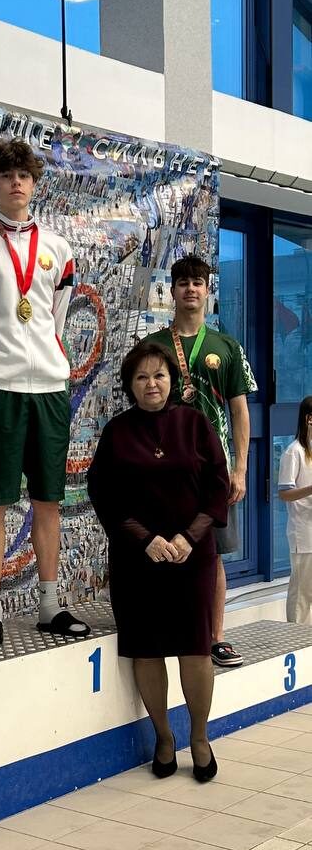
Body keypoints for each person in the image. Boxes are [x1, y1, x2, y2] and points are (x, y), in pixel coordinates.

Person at [0, 138, 90, 646]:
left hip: (49, 387)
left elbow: (57, 317)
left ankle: (50, 605)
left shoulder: (58, 248)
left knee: (48, 501)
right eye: (6, 175)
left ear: (34, 184)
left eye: (24, 176)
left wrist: (49, 362)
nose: (16, 183)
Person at [87, 342, 229, 782]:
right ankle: (164, 737)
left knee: (195, 648)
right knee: (146, 650)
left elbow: (217, 487)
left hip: (193, 557)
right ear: (130, 385)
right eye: (142, 377)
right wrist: (145, 540)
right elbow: (105, 495)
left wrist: (189, 537)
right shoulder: (117, 433)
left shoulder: (196, 424)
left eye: (160, 375)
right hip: (137, 561)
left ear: (173, 380)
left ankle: (200, 738)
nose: (152, 384)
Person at [145, 255, 257, 668]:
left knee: (213, 555)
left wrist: (239, 469)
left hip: (213, 472)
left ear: (207, 290)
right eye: (183, 283)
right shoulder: (153, 346)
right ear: (172, 291)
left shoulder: (227, 347)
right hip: (163, 471)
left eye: (197, 282)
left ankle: (216, 637)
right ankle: (166, 632)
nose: (190, 289)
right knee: (160, 550)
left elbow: (240, 411)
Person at [279, 397, 312, 623]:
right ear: (309, 419)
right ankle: (295, 636)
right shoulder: (294, 452)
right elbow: (284, 493)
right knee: (301, 593)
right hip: (304, 534)